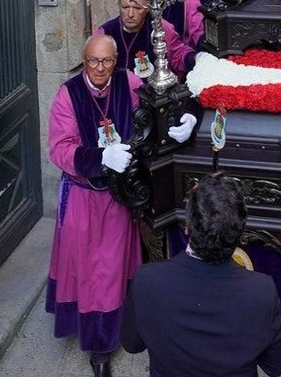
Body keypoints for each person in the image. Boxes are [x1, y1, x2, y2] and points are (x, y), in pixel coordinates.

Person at [49, 32, 192, 377]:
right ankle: (98, 347)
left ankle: (117, 330)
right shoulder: (68, 95)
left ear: (116, 61)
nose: (100, 68)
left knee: (112, 270)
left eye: (107, 61)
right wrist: (100, 157)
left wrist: (184, 118)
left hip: (119, 197)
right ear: (84, 60)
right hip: (84, 195)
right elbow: (60, 148)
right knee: (89, 271)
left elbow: (158, 101)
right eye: (93, 61)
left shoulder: (127, 81)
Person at [121, 174, 281, 376]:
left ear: (188, 226)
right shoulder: (262, 291)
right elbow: (275, 367)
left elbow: (131, 345)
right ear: (240, 232)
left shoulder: (147, 280)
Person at [98, 0, 197, 80]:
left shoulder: (160, 27)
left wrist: (196, 58)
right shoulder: (104, 33)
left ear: (147, 8)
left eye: (137, 8)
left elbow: (178, 55)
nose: (130, 14)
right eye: (125, 7)